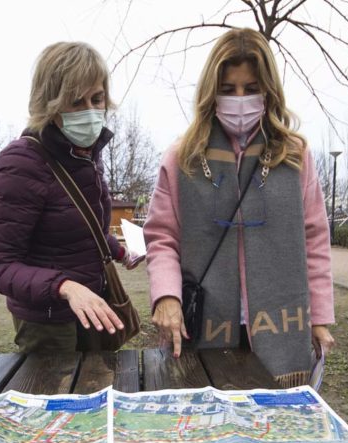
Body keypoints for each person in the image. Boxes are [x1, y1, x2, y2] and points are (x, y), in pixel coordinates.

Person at [143, 28, 336, 387]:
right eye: (229, 90)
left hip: (281, 327)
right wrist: (166, 296)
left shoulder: (294, 156)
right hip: (204, 324)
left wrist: (320, 316)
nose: (240, 99)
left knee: (275, 430)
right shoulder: (183, 157)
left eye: (250, 89)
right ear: (211, 92)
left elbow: (314, 239)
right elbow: (162, 237)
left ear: (268, 91)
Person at [0, 41, 143, 353]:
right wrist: (65, 287)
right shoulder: (22, 163)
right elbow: (0, 266)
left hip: (93, 309)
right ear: (51, 104)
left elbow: (83, 228)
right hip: (49, 324)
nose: (91, 111)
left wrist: (121, 252)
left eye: (97, 99)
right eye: (76, 101)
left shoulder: (85, 154)